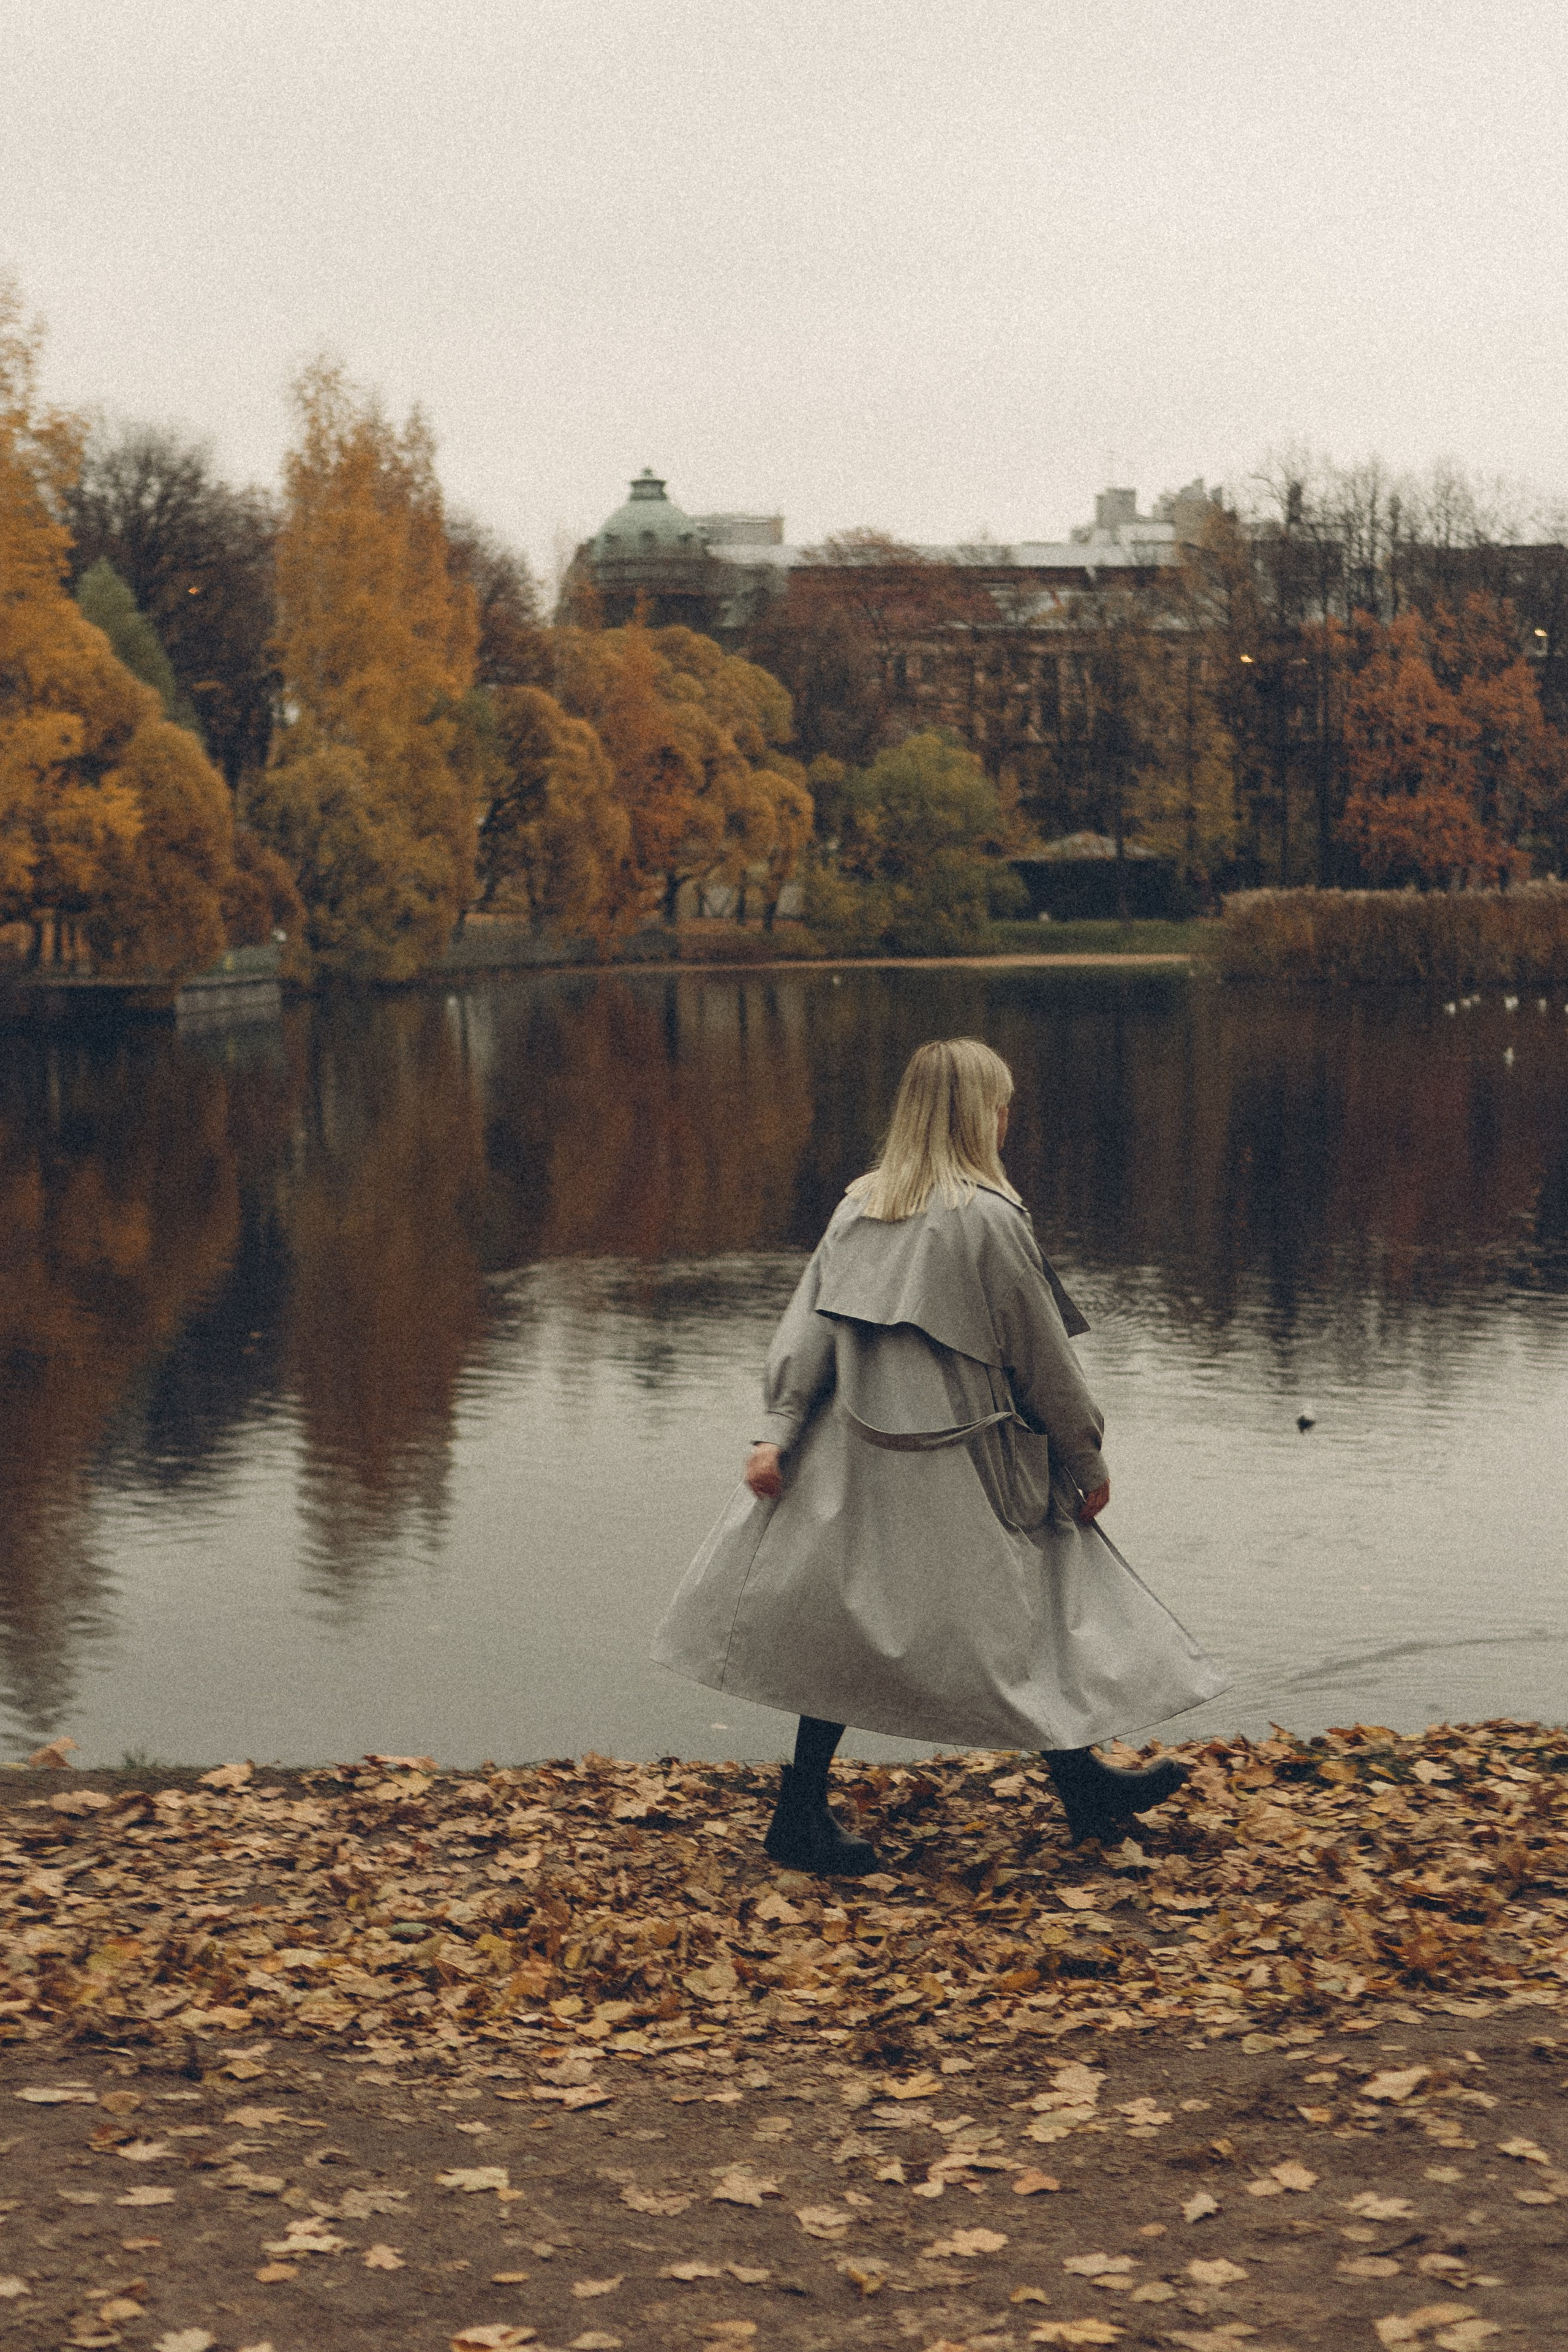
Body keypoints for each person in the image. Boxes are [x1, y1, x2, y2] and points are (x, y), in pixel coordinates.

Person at [652, 1037, 1226, 1874]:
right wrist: (1085, 1459)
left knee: (851, 1625)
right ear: (973, 1116)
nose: (1007, 1118)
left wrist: (777, 1432)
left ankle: (812, 1812)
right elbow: (1042, 1359)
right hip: (967, 1467)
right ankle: (1070, 1788)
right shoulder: (990, 1220)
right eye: (1001, 1104)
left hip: (861, 1465)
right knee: (1024, 1604)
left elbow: (805, 1328)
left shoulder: (859, 1209)